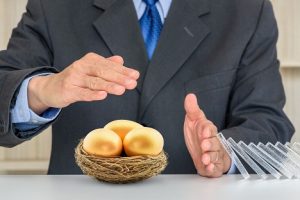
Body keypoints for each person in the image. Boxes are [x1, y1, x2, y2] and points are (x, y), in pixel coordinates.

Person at [0, 0, 294, 177]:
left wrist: (224, 153)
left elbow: (267, 121)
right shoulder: (55, 6)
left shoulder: (245, 10)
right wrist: (42, 89)